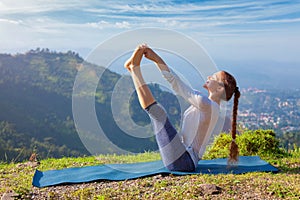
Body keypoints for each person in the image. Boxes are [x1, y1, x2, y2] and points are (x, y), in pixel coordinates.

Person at [124, 44, 240, 172]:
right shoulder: (209, 105)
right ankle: (133, 70)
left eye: (213, 77)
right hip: (183, 158)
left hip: (183, 162)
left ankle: (134, 69)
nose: (208, 77)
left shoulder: (207, 105)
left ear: (219, 89)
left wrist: (156, 58)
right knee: (159, 114)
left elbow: (175, 82)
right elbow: (179, 86)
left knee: (159, 113)